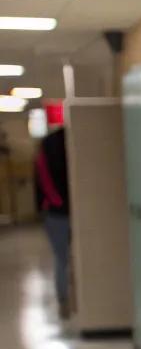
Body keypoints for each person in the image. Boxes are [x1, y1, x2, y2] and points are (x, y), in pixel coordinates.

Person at [34, 125, 72, 319]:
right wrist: (59, 203)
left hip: (64, 210)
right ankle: (64, 301)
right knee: (63, 258)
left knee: (65, 258)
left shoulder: (53, 144)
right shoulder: (50, 145)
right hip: (57, 213)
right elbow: (45, 180)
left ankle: (71, 300)